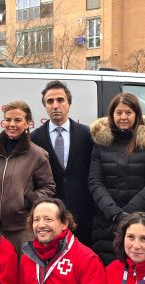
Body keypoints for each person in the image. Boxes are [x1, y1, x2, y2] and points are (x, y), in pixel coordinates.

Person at [89, 93, 145, 265]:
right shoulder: (101, 143)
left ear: (136, 115)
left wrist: (128, 215)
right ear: (111, 115)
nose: (123, 117)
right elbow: (95, 182)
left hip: (140, 221)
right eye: (119, 112)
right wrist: (115, 213)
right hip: (106, 221)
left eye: (128, 112)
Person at [30, 80, 95, 246]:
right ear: (45, 106)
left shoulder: (86, 134)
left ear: (69, 104)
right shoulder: (35, 138)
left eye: (60, 100)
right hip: (51, 216)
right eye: (50, 101)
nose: (55, 105)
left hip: (83, 213)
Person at [0, 100, 55, 254]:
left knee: (22, 273)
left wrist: (27, 202)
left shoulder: (38, 154)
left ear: (28, 123)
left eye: (18, 120)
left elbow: (48, 187)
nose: (12, 124)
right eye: (8, 119)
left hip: (22, 228)